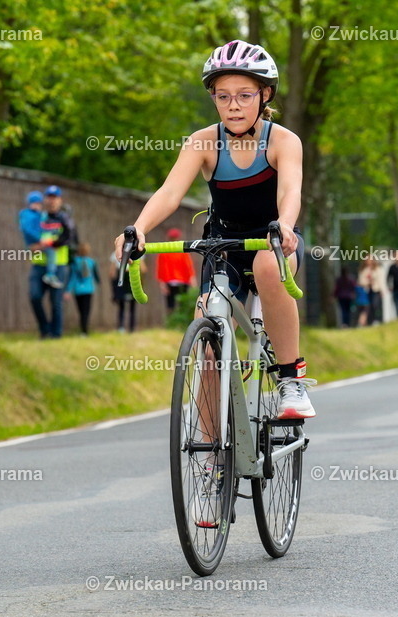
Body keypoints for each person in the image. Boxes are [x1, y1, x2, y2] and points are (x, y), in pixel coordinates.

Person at [113, 40, 316, 422]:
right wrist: (138, 229)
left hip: (274, 239)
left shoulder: (283, 141)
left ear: (265, 94)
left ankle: (291, 380)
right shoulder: (204, 141)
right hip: (222, 244)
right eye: (223, 97)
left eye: (243, 95)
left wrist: (285, 226)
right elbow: (171, 192)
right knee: (208, 343)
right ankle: (209, 454)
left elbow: (291, 190)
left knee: (270, 268)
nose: (233, 105)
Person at [25, 191, 75, 338]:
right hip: (39, 264)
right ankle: (44, 330)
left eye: (55, 198)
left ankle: (56, 334)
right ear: (45, 200)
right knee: (34, 296)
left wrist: (51, 244)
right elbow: (28, 233)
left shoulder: (64, 219)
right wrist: (32, 245)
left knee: (56, 302)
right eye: (49, 198)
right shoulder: (39, 218)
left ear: (60, 200)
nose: (52, 201)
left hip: (58, 265)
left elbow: (69, 237)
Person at [155, 228, 197, 313]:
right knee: (176, 304)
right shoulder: (177, 251)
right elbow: (189, 267)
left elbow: (188, 267)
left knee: (174, 304)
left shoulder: (165, 251)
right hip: (176, 281)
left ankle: (175, 322)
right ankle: (174, 322)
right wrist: (162, 283)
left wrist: (162, 282)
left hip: (177, 281)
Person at [65, 242, 100, 335]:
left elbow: (72, 277)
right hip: (88, 289)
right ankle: (85, 330)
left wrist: (68, 290)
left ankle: (83, 330)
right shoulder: (91, 262)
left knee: (81, 311)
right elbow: (96, 277)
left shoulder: (75, 262)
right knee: (86, 311)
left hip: (78, 290)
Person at [109, 252, 146, 333]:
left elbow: (111, 273)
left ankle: (123, 327)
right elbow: (143, 269)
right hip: (128, 278)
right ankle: (129, 328)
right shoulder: (137, 253)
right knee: (129, 307)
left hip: (125, 278)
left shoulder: (116, 253)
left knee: (124, 306)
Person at [357, 257, 384, 325]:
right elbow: (361, 281)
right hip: (366, 291)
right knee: (369, 307)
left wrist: (382, 290)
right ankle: (370, 321)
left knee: (375, 305)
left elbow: (380, 280)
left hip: (376, 290)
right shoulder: (363, 270)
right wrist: (367, 283)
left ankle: (376, 320)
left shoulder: (377, 269)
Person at [387, 251, 398, 320]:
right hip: (395, 288)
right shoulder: (392, 267)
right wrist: (389, 286)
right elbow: (388, 278)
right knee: (396, 304)